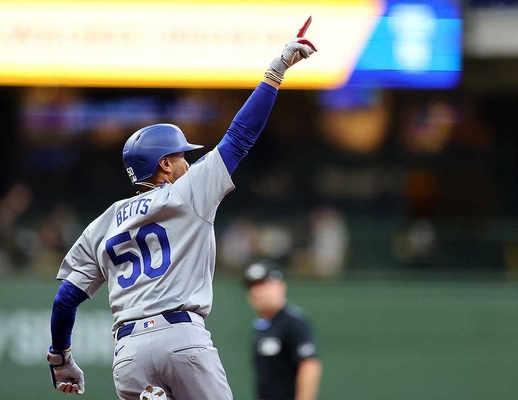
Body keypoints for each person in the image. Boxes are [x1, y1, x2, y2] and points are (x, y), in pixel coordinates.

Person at [45, 17, 317, 400]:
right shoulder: (186, 191)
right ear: (164, 165)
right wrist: (277, 70)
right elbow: (239, 137)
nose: (188, 163)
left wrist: (61, 359)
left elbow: (65, 300)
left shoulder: (103, 222)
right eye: (181, 156)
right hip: (181, 336)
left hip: (128, 354)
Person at [244, 259, 323, 400]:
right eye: (251, 286)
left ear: (279, 286)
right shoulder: (262, 326)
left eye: (262, 284)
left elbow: (309, 365)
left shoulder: (292, 322)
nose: (256, 291)